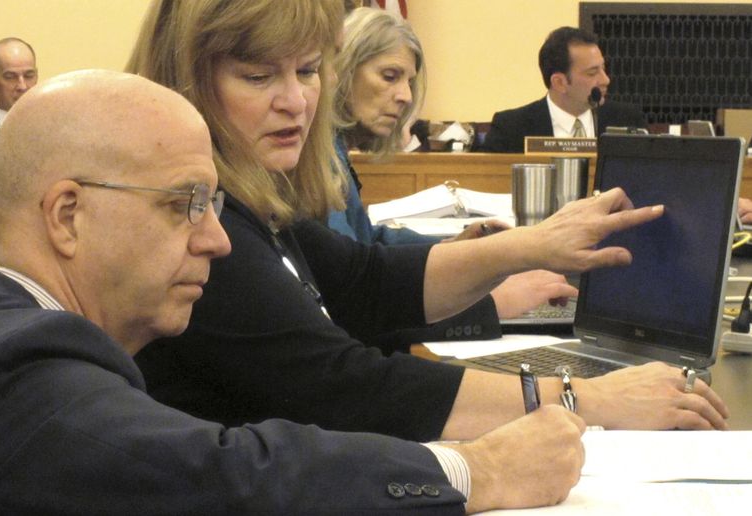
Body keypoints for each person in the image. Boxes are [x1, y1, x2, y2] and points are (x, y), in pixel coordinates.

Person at [0, 68, 589, 515]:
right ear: (67, 215)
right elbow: (236, 475)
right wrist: (476, 469)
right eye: (183, 203)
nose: (215, 239)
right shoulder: (16, 368)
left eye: (213, 205)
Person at [129, 0, 727, 449]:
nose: (296, 101)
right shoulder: (199, 229)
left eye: (308, 71)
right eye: (259, 76)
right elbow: (344, 388)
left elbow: (365, 279)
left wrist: (530, 245)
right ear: (187, 80)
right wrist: (587, 398)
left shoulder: (247, 200)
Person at [327, 7, 576, 351]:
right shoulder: (319, 160)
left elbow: (367, 242)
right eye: (389, 76)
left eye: (409, 82)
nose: (407, 96)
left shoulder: (331, 151)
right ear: (341, 70)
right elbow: (352, 298)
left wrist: (457, 251)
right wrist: (491, 304)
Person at [480, 27, 646, 153]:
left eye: (603, 68)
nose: (605, 80)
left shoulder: (628, 120)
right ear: (559, 82)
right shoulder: (511, 129)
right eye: (592, 72)